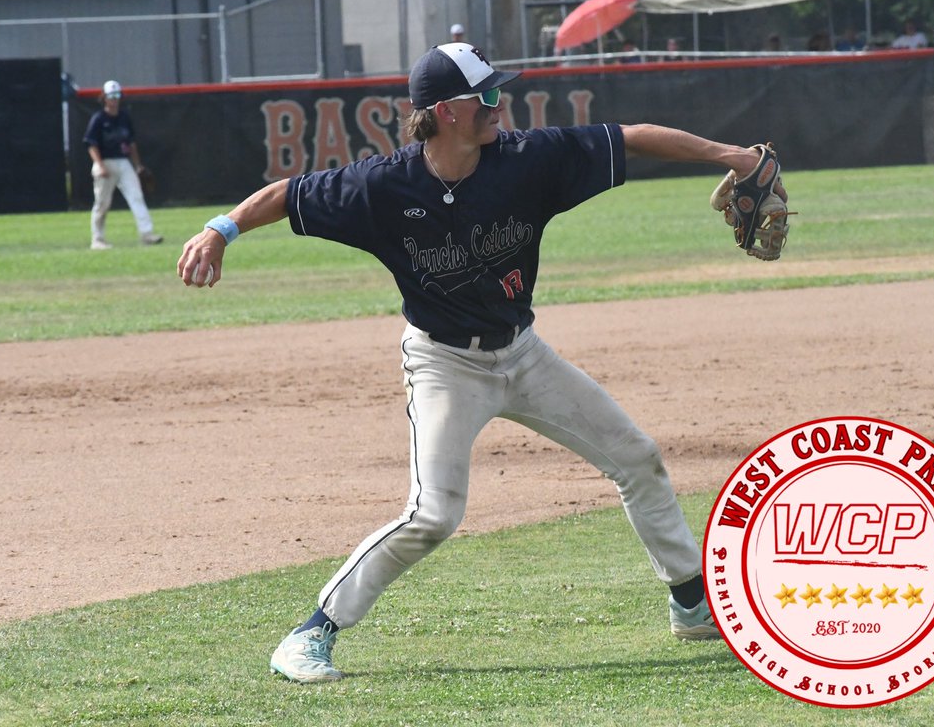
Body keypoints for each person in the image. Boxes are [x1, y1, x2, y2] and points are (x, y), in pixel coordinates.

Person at [177, 42, 788, 684]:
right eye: (488, 96)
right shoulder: (381, 186)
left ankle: (690, 602)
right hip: (444, 366)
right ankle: (312, 633)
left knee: (637, 458)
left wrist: (734, 157)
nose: (502, 105)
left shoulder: (528, 161)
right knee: (433, 514)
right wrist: (222, 229)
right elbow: (287, 195)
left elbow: (630, 136)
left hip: (523, 355)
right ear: (445, 112)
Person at [83, 80, 163, 249]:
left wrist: (137, 165)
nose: (114, 99)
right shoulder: (99, 119)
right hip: (104, 162)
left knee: (136, 196)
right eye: (111, 96)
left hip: (122, 161)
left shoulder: (124, 117)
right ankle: (97, 239)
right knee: (102, 203)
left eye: (117, 95)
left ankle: (147, 234)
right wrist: (100, 165)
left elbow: (131, 143)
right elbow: (91, 144)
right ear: (104, 97)